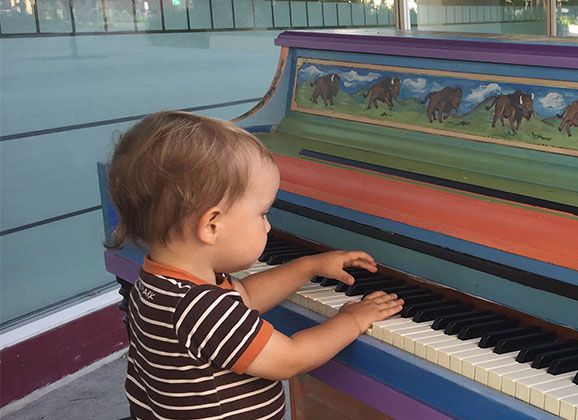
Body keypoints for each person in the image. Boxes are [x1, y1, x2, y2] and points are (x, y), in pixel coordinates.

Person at [107, 111, 404, 419]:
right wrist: (352, 320)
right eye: (262, 213)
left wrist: (307, 266)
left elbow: (244, 296)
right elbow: (290, 359)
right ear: (211, 226)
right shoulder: (201, 308)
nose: (268, 227)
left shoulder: (163, 282)